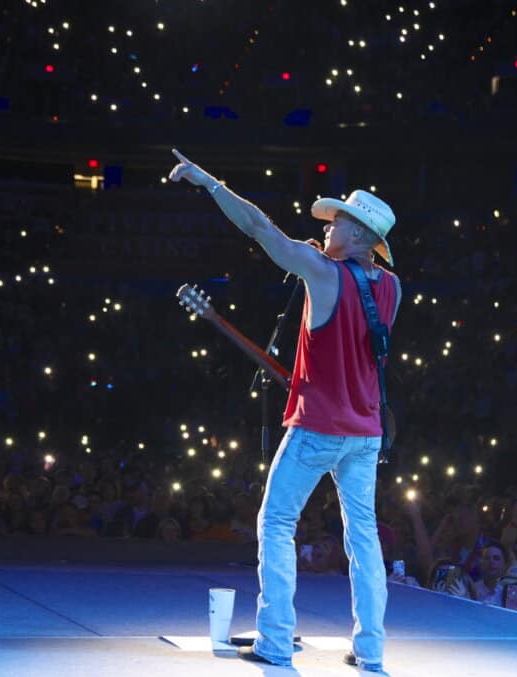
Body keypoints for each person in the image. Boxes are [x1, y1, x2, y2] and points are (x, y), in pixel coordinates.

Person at [169, 149, 400, 672]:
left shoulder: (320, 271)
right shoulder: (393, 287)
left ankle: (275, 640)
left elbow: (257, 227)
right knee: (362, 537)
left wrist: (210, 182)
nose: (330, 225)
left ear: (360, 236)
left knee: (276, 522)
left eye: (339, 220)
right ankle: (371, 651)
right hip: (364, 433)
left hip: (317, 427)